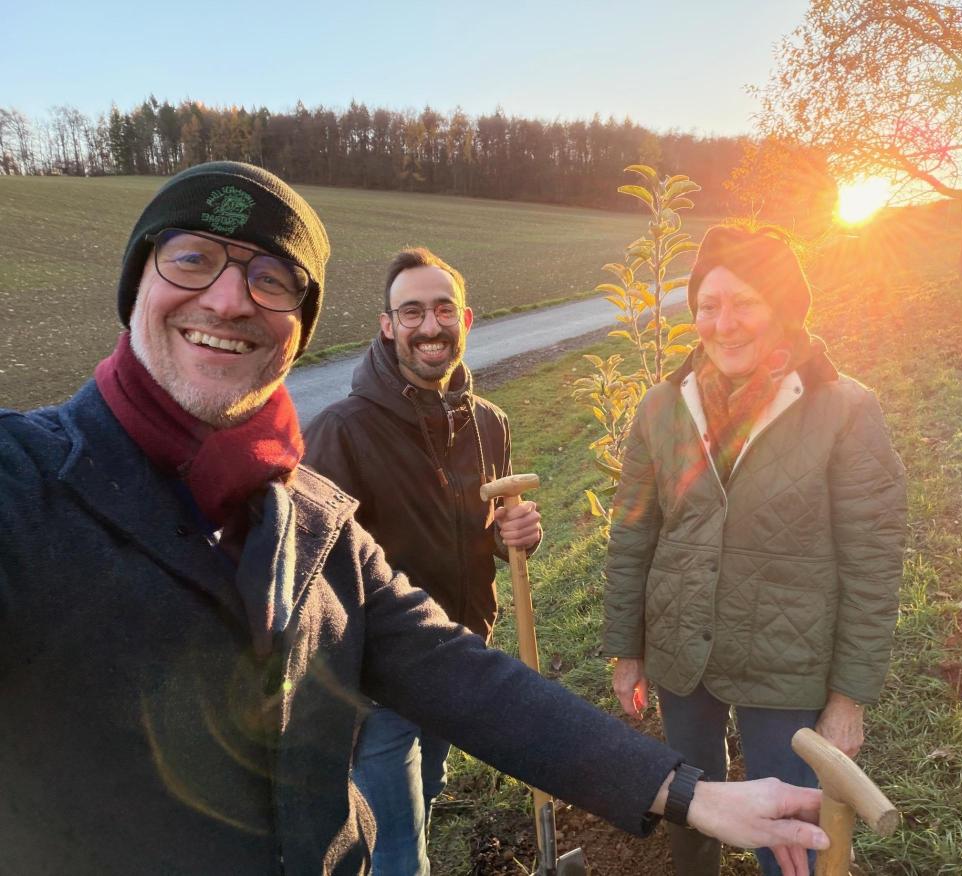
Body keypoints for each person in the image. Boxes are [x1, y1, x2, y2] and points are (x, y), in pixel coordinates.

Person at [0, 163, 831, 876]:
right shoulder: (27, 486)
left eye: (272, 279)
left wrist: (689, 791)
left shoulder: (309, 523)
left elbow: (463, 675)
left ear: (297, 326)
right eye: (191, 259)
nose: (229, 300)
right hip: (375, 713)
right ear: (134, 286)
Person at [603, 225, 907, 875]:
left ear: (782, 306)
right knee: (690, 802)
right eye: (707, 306)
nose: (723, 323)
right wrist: (628, 646)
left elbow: (873, 560)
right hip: (683, 649)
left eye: (744, 303)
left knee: (790, 836)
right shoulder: (662, 407)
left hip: (786, 657)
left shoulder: (846, 409)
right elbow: (633, 533)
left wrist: (849, 698)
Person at [303, 246, 541, 875]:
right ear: (387, 325)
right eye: (411, 312)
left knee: (426, 793)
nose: (429, 327)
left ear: (466, 321)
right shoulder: (341, 432)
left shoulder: (489, 423)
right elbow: (314, 576)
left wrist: (510, 535)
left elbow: (480, 532)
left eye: (443, 310)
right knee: (398, 856)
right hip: (381, 682)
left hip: (459, 655)